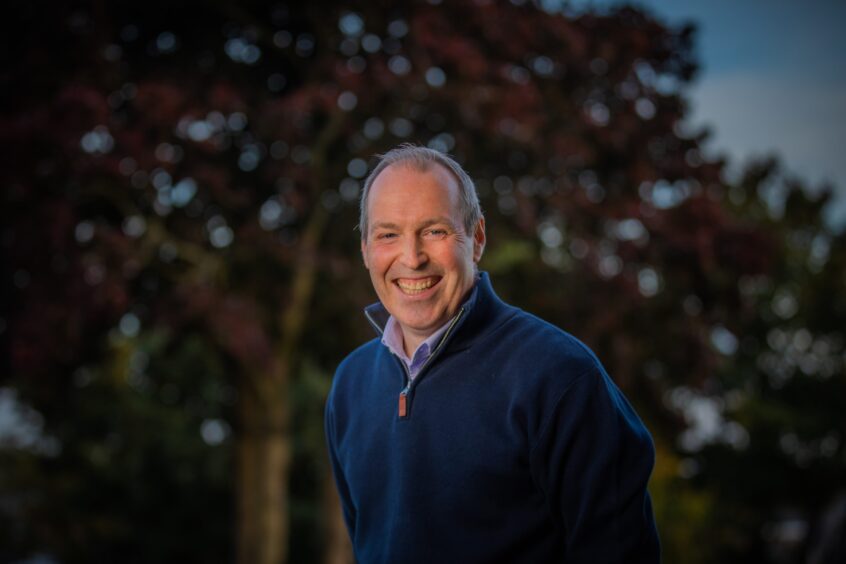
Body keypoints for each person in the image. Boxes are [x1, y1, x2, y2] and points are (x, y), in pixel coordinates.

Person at [324, 144, 660, 563]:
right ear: (365, 250)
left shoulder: (560, 376)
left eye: (434, 230)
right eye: (388, 234)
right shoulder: (350, 385)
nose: (411, 258)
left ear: (477, 238)